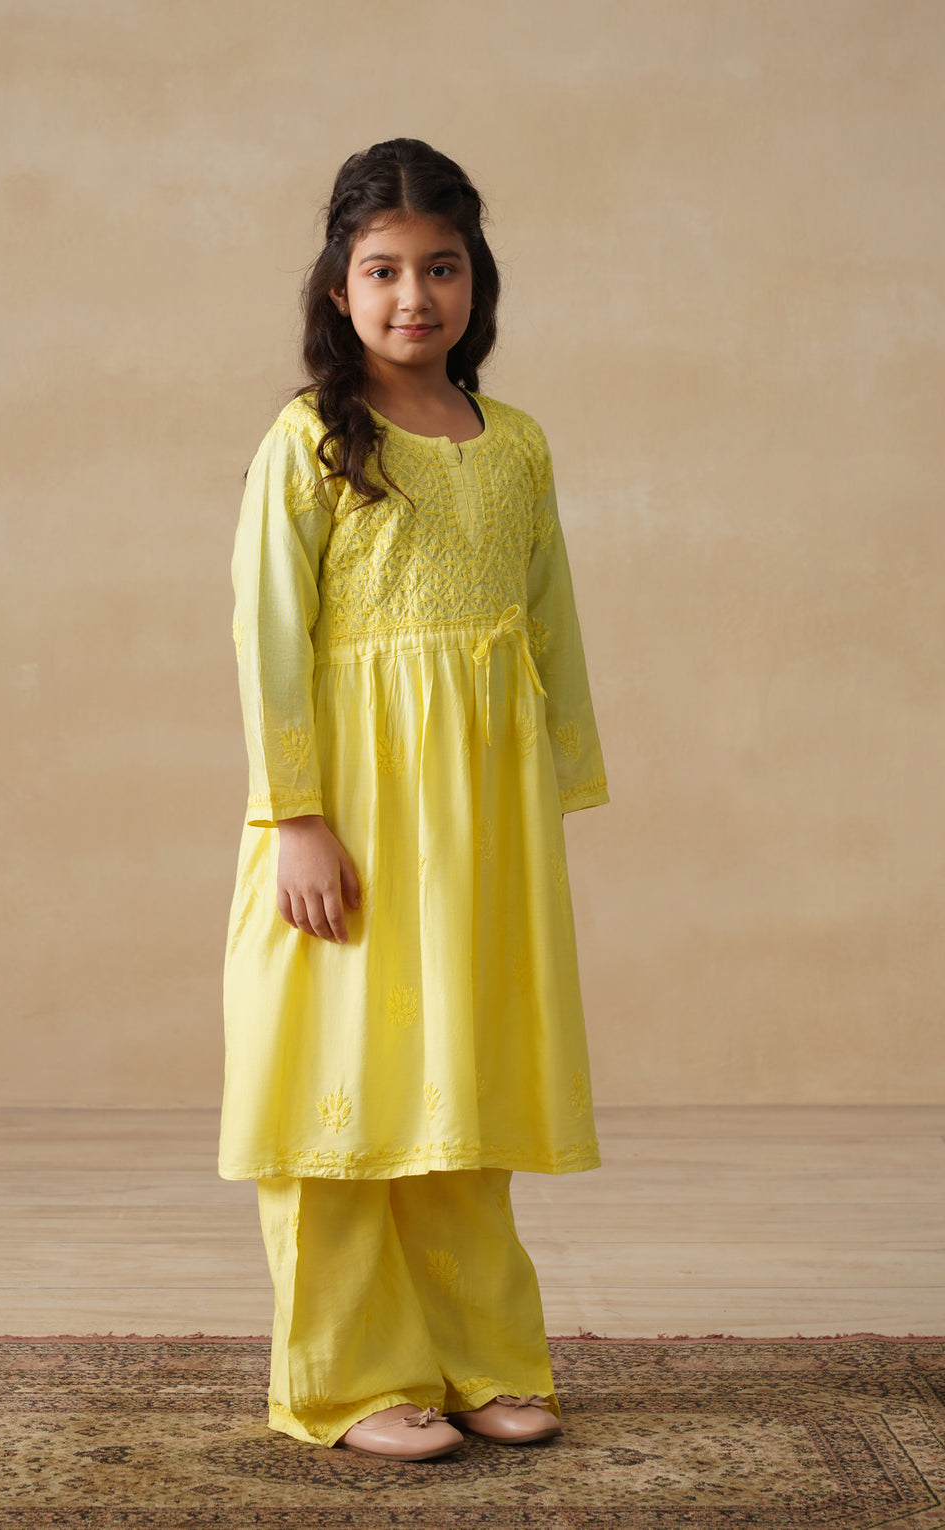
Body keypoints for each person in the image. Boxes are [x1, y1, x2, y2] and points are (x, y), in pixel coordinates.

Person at [218, 138, 610, 1461]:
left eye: (440, 267)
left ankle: (479, 1355)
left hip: (475, 822)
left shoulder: (517, 446)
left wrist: (544, 790)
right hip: (346, 816)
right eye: (382, 270)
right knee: (342, 1081)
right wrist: (296, 818)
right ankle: (351, 1375)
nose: (413, 296)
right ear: (339, 287)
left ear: (475, 279)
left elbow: (547, 623)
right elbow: (269, 639)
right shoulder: (311, 443)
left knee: (459, 1082)